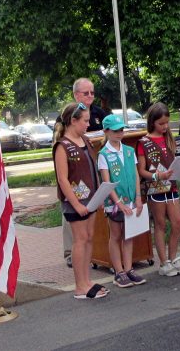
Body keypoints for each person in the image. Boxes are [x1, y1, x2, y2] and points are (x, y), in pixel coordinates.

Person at [53, 102, 108, 299]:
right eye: (84, 121)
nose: (88, 124)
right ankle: (79, 286)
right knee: (80, 240)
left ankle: (87, 280)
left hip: (91, 199)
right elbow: (62, 179)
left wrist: (99, 196)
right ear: (72, 121)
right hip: (75, 203)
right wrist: (76, 204)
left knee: (89, 237)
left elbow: (92, 170)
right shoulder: (62, 146)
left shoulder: (85, 140)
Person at [62, 78, 109, 268]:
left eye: (92, 93)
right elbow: (61, 140)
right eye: (85, 93)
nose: (90, 96)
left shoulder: (98, 113)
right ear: (76, 95)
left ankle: (96, 250)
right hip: (74, 173)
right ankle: (70, 254)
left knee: (91, 217)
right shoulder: (67, 114)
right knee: (73, 216)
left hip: (95, 168)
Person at [136, 102, 180, 277]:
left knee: (178, 222)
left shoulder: (170, 138)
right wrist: (157, 176)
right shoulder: (143, 142)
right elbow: (141, 170)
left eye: (167, 123)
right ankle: (163, 263)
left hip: (171, 186)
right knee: (160, 224)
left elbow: (179, 160)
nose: (165, 127)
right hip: (155, 188)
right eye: (161, 124)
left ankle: (173, 258)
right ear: (152, 122)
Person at [97, 114, 146, 288]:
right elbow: (107, 182)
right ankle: (119, 272)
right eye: (115, 130)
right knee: (116, 235)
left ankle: (129, 268)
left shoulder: (129, 151)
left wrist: (139, 197)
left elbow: (135, 175)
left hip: (132, 200)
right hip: (116, 204)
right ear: (106, 131)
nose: (119, 133)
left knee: (129, 235)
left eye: (121, 130)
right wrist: (118, 203)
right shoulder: (104, 154)